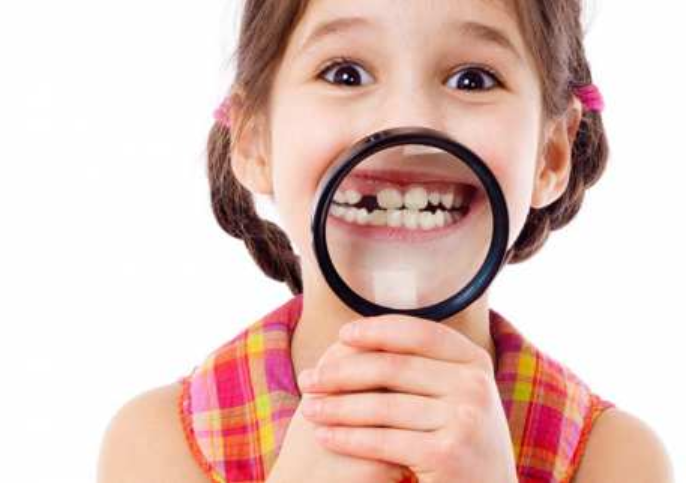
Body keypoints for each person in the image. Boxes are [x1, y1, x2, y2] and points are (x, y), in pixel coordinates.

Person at [97, 1, 674, 482]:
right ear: (253, 142)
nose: (407, 123)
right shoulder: (162, 444)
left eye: (473, 79)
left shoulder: (613, 459)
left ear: (552, 152)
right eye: (345, 73)